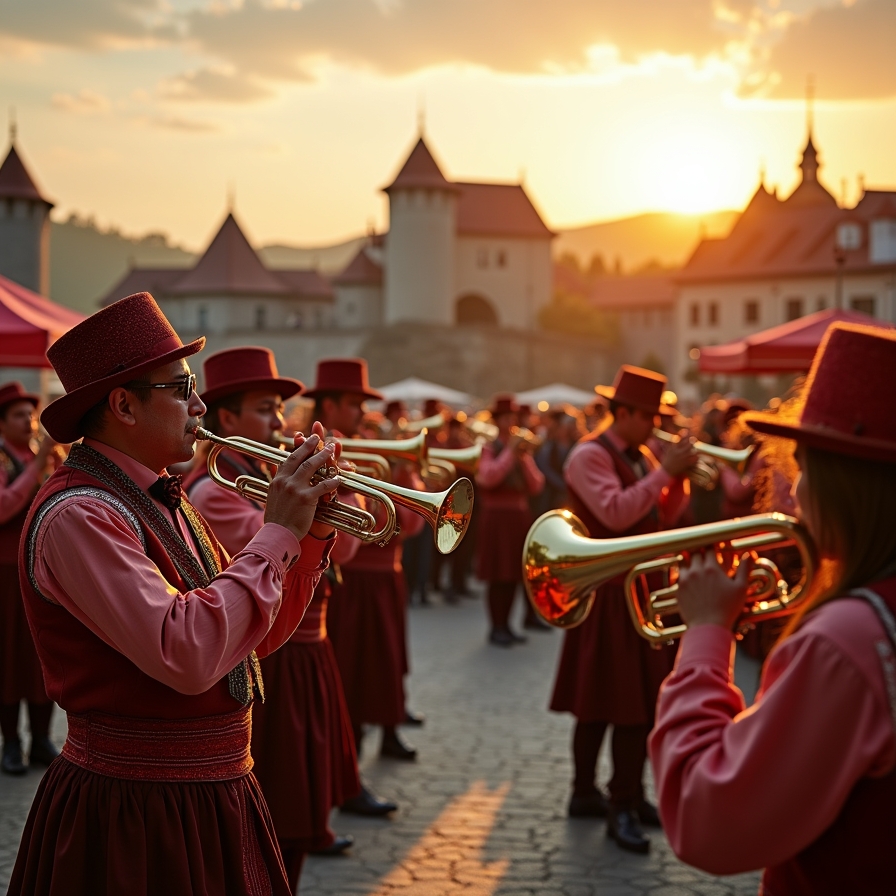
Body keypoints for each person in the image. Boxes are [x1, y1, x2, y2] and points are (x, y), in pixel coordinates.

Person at [8, 292, 340, 896]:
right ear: (123, 406)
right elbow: (186, 652)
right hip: (134, 809)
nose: (199, 403)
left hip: (209, 793)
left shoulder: (163, 494)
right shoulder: (81, 512)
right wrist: (278, 530)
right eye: (181, 386)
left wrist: (311, 536)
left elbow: (243, 641)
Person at [650, 321, 896, 893]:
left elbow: (704, 815)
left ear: (845, 484)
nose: (795, 488)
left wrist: (707, 631)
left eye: (804, 467)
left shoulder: (849, 638)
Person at [185, 346, 367, 891]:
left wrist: (340, 494)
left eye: (279, 410)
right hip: (269, 660)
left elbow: (348, 550)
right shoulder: (214, 487)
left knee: (301, 809)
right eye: (265, 409)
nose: (278, 422)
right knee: (274, 815)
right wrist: (304, 509)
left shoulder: (270, 477)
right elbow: (270, 552)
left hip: (307, 647)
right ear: (228, 419)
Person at [549, 365, 694, 853]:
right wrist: (663, 474)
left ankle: (616, 794)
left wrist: (677, 482)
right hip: (607, 590)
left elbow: (663, 515)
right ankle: (611, 803)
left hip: (636, 588)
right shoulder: (589, 455)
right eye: (649, 416)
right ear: (624, 413)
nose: (655, 425)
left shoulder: (642, 453)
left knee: (632, 702)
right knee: (614, 706)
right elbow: (616, 513)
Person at [306, 359, 423, 762]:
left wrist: (407, 477)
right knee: (352, 674)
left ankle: (386, 733)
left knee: (386, 663)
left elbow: (410, 523)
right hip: (348, 581)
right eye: (355, 404)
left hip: (387, 575)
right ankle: (349, 761)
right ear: (330, 407)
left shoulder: (371, 447)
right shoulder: (312, 449)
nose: (363, 413)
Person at [0, 383, 62, 775]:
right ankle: (11, 743)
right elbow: (3, 507)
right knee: (9, 659)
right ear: (2, 423)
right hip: (5, 573)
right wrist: (38, 467)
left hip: (43, 572)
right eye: (19, 415)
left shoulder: (47, 456)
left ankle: (41, 739)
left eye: (31, 414)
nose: (29, 421)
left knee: (45, 655)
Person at [475, 395, 545, 645]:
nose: (510, 422)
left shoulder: (520, 450)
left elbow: (537, 485)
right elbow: (488, 477)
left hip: (518, 515)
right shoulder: (488, 448)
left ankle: (509, 624)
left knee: (516, 574)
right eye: (505, 418)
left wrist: (523, 458)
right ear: (497, 421)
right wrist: (509, 453)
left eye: (512, 418)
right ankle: (497, 626)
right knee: (498, 575)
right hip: (496, 516)